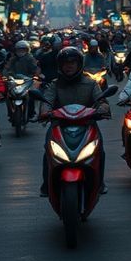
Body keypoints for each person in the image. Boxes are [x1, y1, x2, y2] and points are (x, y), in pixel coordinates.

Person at [39, 47, 110, 196]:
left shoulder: (91, 83)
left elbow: (100, 100)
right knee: (48, 151)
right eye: (65, 63)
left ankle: (100, 183)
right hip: (60, 125)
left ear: (79, 64)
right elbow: (47, 101)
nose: (69, 66)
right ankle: (47, 184)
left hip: (87, 125)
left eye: (72, 63)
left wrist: (102, 108)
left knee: (100, 151)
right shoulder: (55, 84)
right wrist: (44, 111)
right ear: (60, 66)